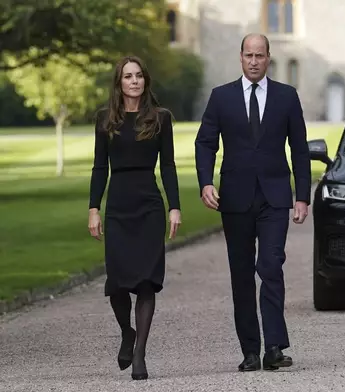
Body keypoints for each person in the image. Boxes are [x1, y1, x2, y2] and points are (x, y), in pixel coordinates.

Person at [194, 33, 311, 372]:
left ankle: (273, 346)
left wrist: (301, 196)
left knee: (271, 267)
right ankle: (249, 350)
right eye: (249, 55)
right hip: (235, 197)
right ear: (241, 57)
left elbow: (300, 149)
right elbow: (205, 144)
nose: (255, 61)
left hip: (275, 196)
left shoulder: (287, 96)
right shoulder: (221, 97)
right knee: (242, 274)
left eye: (260, 55)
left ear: (268, 57)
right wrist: (205, 183)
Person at [87, 56, 181, 380]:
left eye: (139, 76)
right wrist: (93, 209)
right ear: (119, 83)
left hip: (149, 206)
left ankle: (139, 352)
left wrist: (175, 207)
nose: (134, 81)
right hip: (118, 206)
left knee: (145, 282)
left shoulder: (160, 118)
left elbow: (168, 166)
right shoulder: (105, 120)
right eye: (128, 76)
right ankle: (127, 332)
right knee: (116, 284)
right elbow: (99, 167)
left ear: (145, 81)